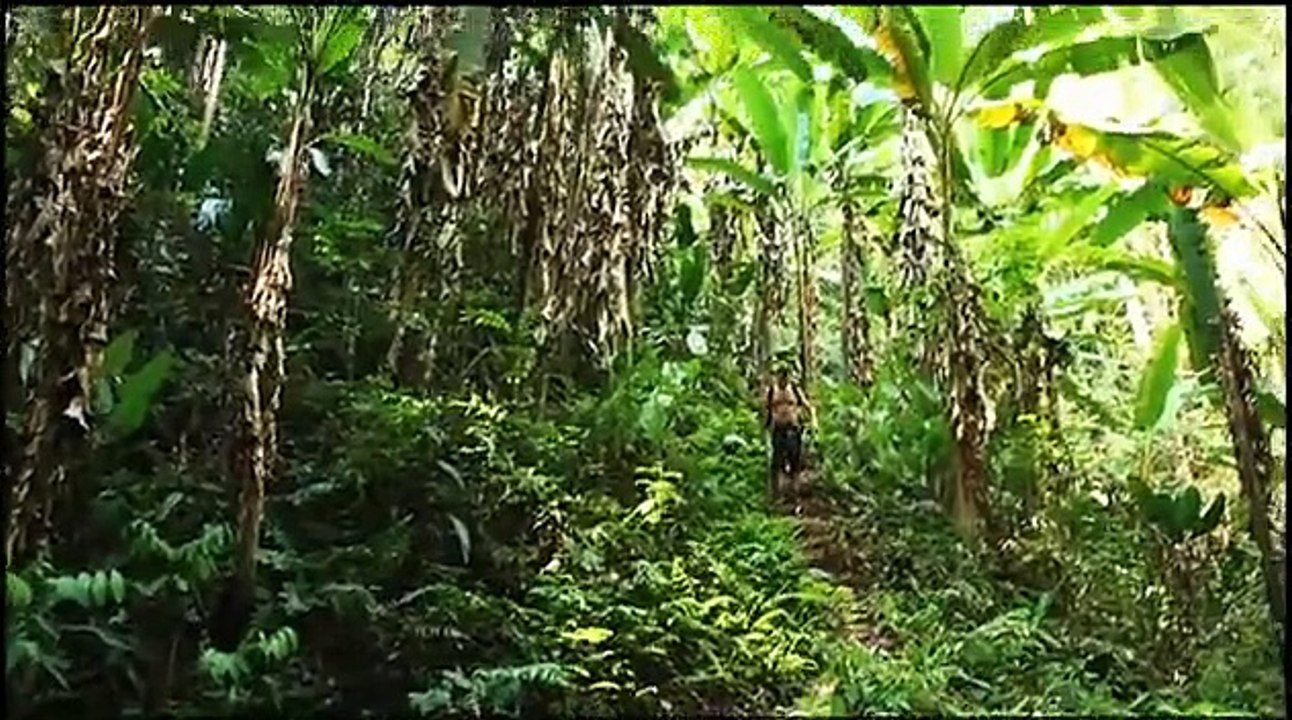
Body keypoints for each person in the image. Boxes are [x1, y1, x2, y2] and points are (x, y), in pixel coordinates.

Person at [764, 359, 814, 499]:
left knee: (795, 459)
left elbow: (806, 405)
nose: (783, 379)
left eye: (785, 375)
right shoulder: (772, 391)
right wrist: (766, 426)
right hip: (778, 428)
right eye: (781, 375)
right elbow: (766, 408)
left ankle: (795, 490)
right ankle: (778, 493)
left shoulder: (794, 390)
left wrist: (812, 422)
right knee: (777, 460)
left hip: (793, 428)